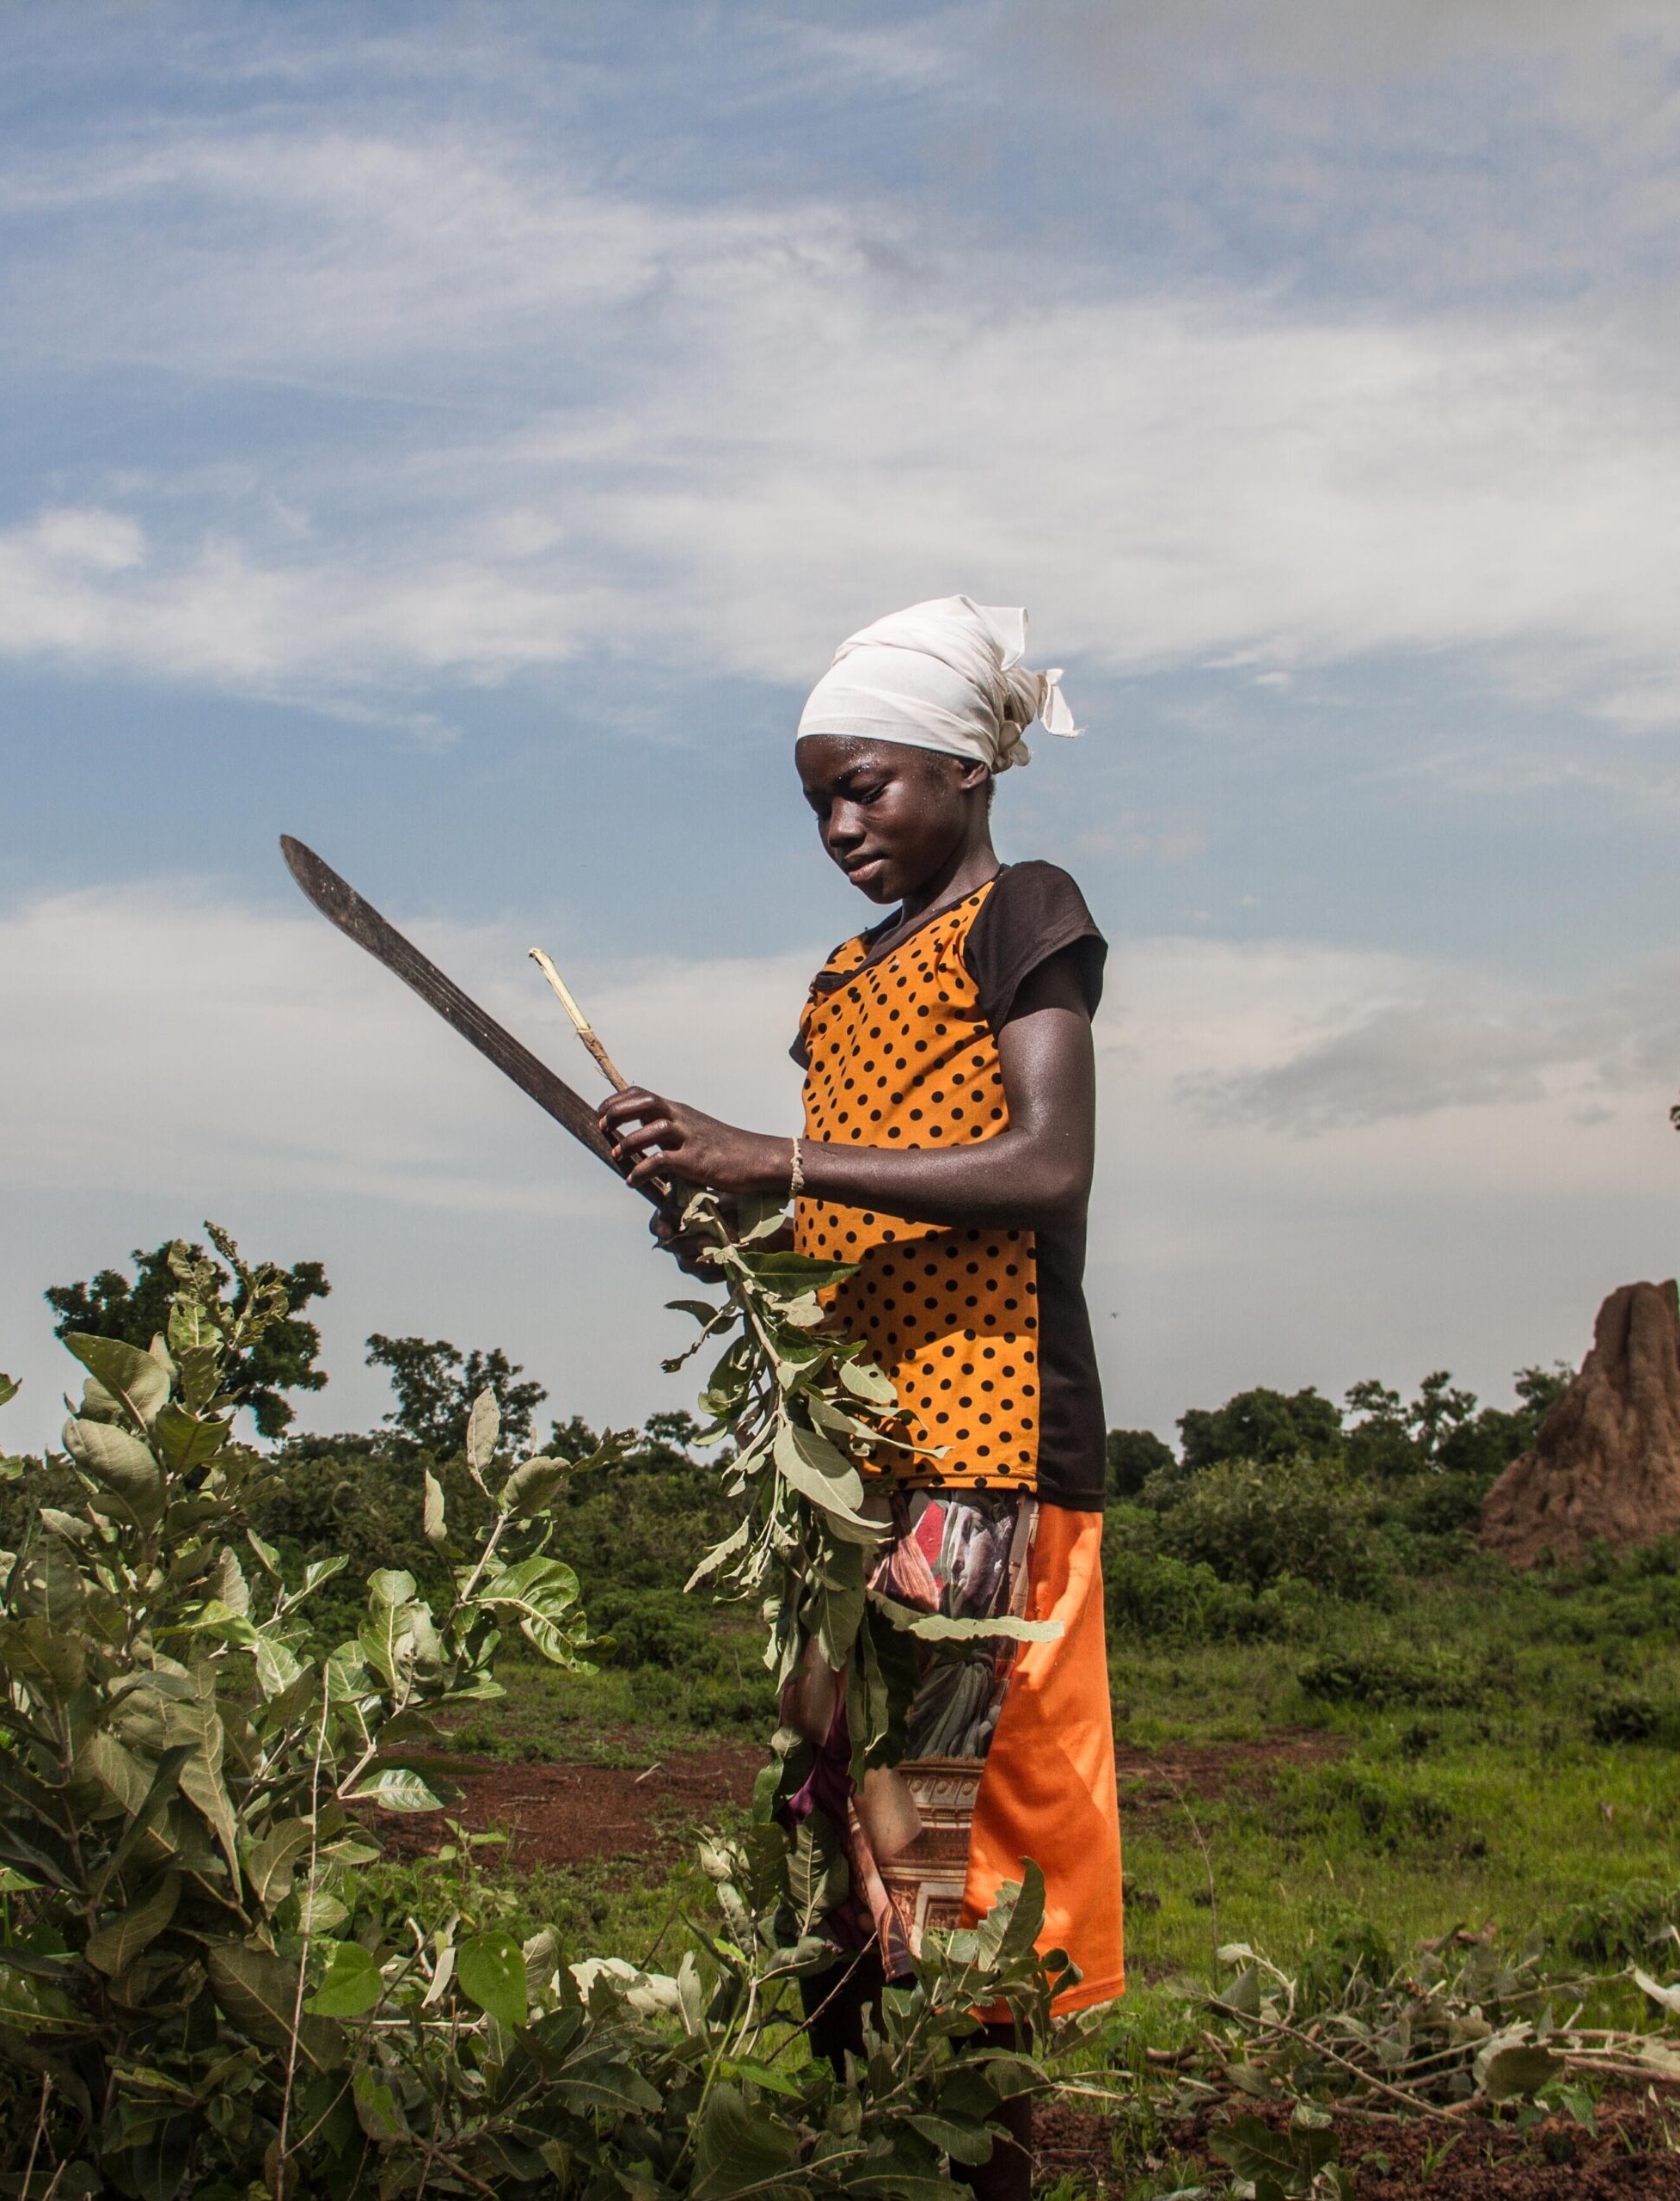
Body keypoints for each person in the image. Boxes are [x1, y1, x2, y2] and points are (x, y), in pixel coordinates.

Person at [599, 596, 1124, 2199]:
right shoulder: (841, 979)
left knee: (937, 1860)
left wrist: (771, 1155)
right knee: (834, 1835)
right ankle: (854, 2167)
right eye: (820, 801)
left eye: (866, 787)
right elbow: (837, 1208)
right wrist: (722, 1209)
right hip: (847, 1453)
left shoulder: (1024, 910)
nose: (839, 827)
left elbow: (1045, 1163)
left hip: (984, 1448)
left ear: (967, 769)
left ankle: (971, 2173)